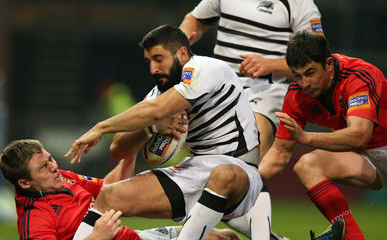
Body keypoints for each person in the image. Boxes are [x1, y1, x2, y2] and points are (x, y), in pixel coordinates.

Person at [65, 24, 262, 240]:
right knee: (109, 196)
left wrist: (99, 128)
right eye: (149, 61)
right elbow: (118, 149)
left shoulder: (206, 68)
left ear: (182, 53)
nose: (153, 69)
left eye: (159, 59)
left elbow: (158, 110)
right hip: (195, 170)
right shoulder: (160, 92)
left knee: (223, 174)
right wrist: (151, 128)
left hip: (241, 172)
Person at [179, 1, 324, 239]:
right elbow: (194, 20)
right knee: (215, 187)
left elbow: (318, 58)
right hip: (219, 91)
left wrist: (271, 65)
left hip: (266, 92)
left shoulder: (299, 4)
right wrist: (181, 43)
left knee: (246, 165)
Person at [259, 30, 387, 240]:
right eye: (298, 75)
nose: (305, 83)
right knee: (307, 165)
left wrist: (307, 138)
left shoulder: (358, 76)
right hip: (369, 159)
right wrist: (246, 181)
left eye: (310, 73)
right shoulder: (297, 95)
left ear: (328, 64)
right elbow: (279, 153)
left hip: (371, 145)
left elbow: (359, 135)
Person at [0, 139, 241, 240]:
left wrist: (129, 151)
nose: (53, 167)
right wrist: (96, 237)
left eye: (50, 159)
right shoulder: (35, 219)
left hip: (134, 237)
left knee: (218, 238)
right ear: (25, 184)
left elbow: (109, 190)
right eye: (43, 167)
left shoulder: (63, 178)